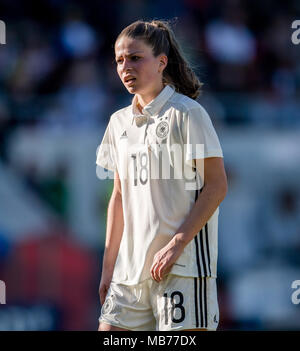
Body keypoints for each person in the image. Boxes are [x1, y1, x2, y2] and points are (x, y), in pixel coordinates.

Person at [96, 19, 227, 331]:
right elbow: (118, 198)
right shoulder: (118, 123)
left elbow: (217, 185)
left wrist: (177, 243)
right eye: (119, 60)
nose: (125, 66)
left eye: (135, 58)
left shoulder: (189, 114)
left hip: (183, 268)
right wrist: (108, 268)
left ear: (161, 62)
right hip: (129, 274)